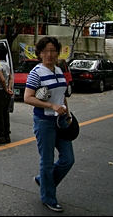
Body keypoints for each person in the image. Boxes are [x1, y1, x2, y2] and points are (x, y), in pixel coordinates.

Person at [24, 36, 74, 213]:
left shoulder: (59, 70)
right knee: (47, 161)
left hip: (61, 122)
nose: (50, 54)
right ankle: (49, 197)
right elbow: (28, 97)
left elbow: (62, 97)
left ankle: (44, 181)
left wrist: (67, 115)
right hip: (44, 121)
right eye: (46, 51)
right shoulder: (36, 72)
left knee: (68, 159)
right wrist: (51, 105)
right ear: (39, 53)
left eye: (53, 50)